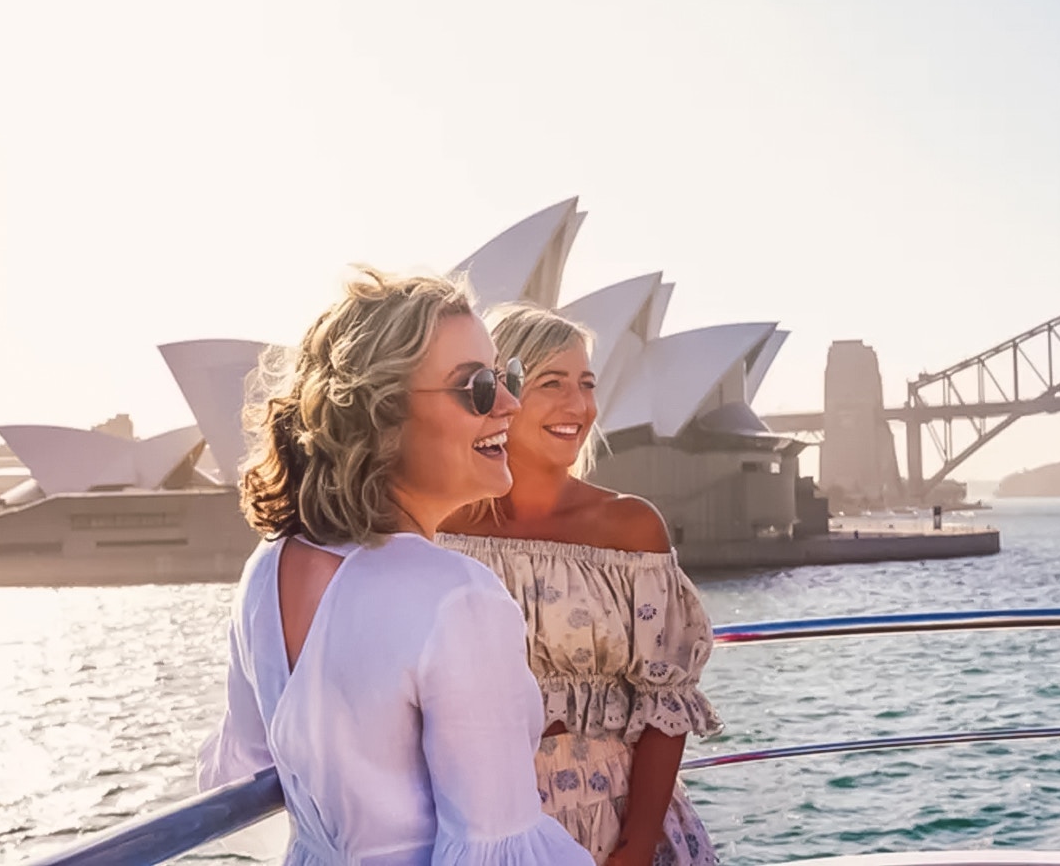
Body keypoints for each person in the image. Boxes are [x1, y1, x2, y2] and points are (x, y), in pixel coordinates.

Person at [197, 270, 594, 866]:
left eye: (506, 377)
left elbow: (240, 772)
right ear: (379, 417)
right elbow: (496, 852)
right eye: (476, 387)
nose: (510, 403)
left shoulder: (268, 567)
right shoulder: (457, 598)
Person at [439, 304, 722, 866]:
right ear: (500, 392)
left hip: (614, 822)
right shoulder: (443, 528)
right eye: (552, 383)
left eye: (586, 384)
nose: (579, 405)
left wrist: (638, 844)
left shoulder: (630, 529)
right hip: (475, 824)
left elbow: (663, 702)